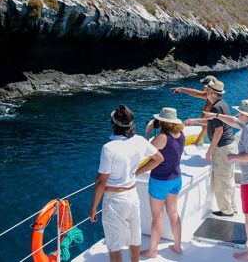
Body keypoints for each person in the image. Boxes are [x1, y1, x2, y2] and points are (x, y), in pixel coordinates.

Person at [89, 105, 164, 262]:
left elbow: (101, 181)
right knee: (134, 239)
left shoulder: (108, 148)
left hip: (114, 199)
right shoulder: (139, 141)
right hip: (132, 196)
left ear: (113, 124)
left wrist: (93, 208)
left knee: (114, 244)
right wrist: (137, 172)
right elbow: (159, 158)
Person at [204, 100, 248, 261]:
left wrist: (233, 157)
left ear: (244, 114)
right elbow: (233, 121)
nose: (237, 115)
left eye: (239, 113)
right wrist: (215, 115)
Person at [184, 79, 237, 217]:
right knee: (228, 178)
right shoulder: (221, 104)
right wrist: (195, 120)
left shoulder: (216, 107)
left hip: (222, 148)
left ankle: (227, 211)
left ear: (212, 92)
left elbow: (218, 131)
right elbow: (210, 121)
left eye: (207, 90)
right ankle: (232, 206)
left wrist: (210, 150)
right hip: (228, 146)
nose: (205, 92)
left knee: (221, 180)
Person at [140, 107, 185, 258]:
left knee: (157, 216)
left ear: (162, 121)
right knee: (173, 213)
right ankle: (178, 246)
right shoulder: (181, 134)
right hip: (176, 179)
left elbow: (143, 152)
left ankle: (152, 251)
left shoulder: (162, 138)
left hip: (160, 180)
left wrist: (147, 132)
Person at [171, 75, 217, 145]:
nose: (202, 87)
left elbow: (208, 124)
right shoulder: (210, 96)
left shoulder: (213, 102)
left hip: (211, 137)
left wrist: (197, 141)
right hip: (208, 135)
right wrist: (182, 89)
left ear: (208, 86)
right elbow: (196, 93)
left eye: (204, 84)